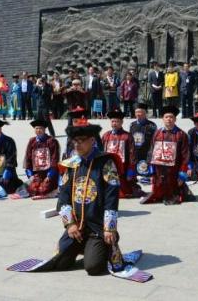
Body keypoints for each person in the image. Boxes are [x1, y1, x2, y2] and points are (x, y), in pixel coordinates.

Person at [55, 119, 120, 275]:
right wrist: (69, 224)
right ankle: (83, 246)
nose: (76, 145)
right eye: (74, 141)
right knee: (60, 262)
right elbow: (63, 198)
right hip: (77, 225)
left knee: (93, 267)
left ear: (92, 140)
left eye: (81, 141)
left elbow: (112, 197)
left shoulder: (106, 162)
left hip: (97, 228)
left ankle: (102, 246)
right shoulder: (70, 164)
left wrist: (109, 228)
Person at [141, 105, 194, 205]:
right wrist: (151, 169)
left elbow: (185, 155)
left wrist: (182, 174)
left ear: (175, 119)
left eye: (171, 117)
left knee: (173, 192)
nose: (169, 119)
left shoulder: (181, 135)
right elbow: (151, 151)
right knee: (158, 191)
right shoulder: (157, 133)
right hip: (159, 170)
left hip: (174, 171)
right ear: (163, 119)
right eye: (166, 117)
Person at [102, 109, 143, 198]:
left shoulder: (127, 136)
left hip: (123, 169)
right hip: (108, 168)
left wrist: (131, 170)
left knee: (125, 192)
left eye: (117, 121)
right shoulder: (106, 135)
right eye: (113, 121)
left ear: (122, 122)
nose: (114, 123)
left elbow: (133, 155)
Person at [20, 120, 60, 199]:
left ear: (45, 129)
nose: (38, 130)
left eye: (40, 128)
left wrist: (50, 175)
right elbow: (28, 158)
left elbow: (54, 158)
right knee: (33, 189)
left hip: (48, 173)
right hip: (37, 173)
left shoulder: (52, 141)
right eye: (36, 128)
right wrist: (30, 175)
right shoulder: (32, 141)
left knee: (43, 190)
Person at [129, 103, 157, 184]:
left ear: (145, 113)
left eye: (141, 112)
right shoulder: (132, 125)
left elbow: (155, 141)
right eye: (137, 112)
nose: (138, 114)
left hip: (147, 153)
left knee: (146, 172)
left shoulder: (151, 125)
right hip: (136, 153)